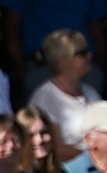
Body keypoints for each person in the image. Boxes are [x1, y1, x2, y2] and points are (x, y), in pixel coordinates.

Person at [25, 29, 100, 163]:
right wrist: (97, 154)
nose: (89, 55)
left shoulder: (90, 92)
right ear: (63, 60)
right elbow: (56, 149)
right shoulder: (44, 98)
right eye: (82, 53)